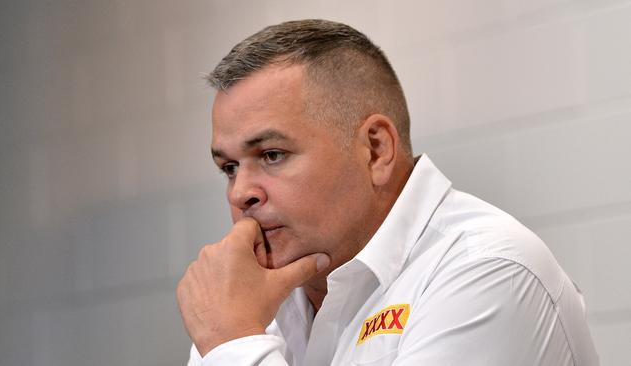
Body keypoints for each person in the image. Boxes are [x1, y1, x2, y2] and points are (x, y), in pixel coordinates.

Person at [176, 19, 599, 365]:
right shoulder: (246, 303)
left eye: (271, 154)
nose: (240, 193)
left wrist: (233, 344)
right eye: (229, 167)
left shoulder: (490, 268)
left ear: (376, 149)